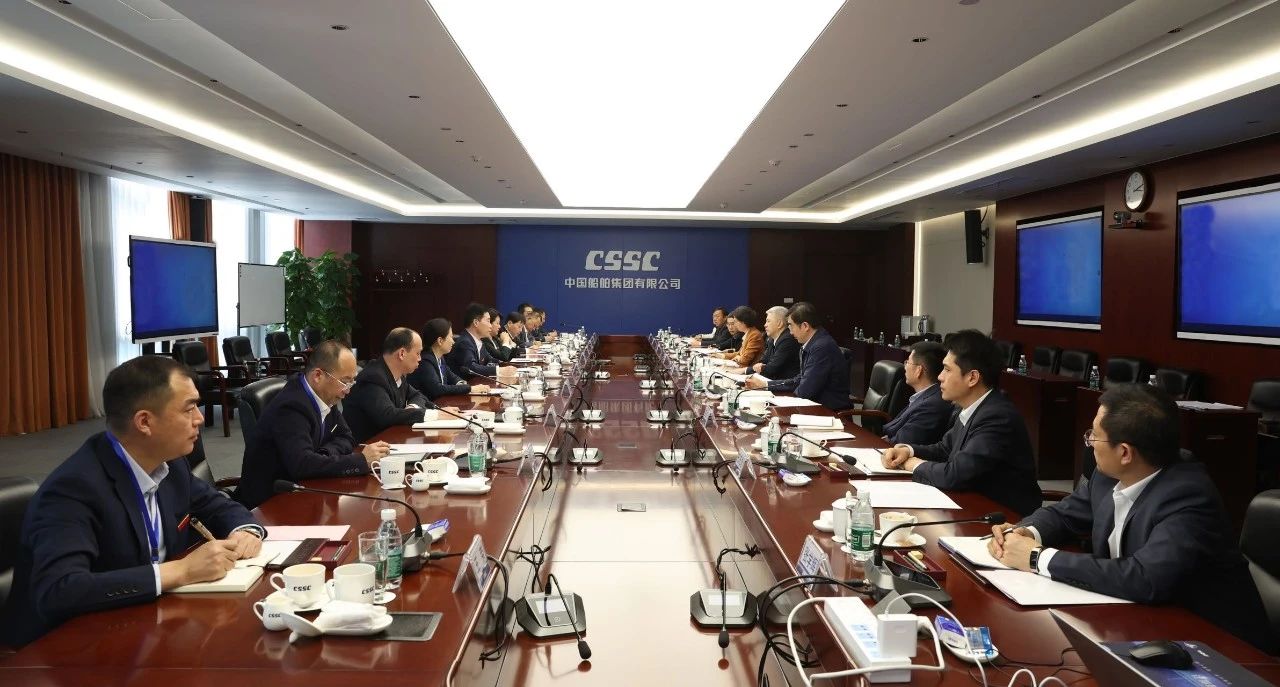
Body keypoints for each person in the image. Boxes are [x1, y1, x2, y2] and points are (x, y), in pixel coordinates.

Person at [988, 384, 1275, 653]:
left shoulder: (1187, 495)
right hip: (1141, 622)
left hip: (1222, 647)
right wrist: (1026, 533)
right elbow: (1065, 514)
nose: (1089, 442)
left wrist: (1037, 558)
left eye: (1094, 435)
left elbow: (1145, 578)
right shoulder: (1109, 473)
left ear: (1125, 452)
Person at [2, 356, 264, 646]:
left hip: (148, 623)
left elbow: (218, 505)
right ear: (144, 422)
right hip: (68, 647)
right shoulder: (74, 489)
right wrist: (180, 571)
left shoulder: (171, 465)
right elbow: (60, 590)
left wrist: (244, 531)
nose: (200, 419)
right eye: (189, 408)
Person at [879, 329, 1040, 516]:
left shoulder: (996, 417)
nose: (940, 376)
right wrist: (908, 450)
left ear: (972, 378)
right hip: (972, 505)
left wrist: (913, 464)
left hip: (1005, 518)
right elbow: (944, 449)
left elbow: (955, 475)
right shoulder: (972, 406)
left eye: (947, 370)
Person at [234, 340, 390, 510]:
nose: (348, 389)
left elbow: (346, 437)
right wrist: (360, 460)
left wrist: (323, 454)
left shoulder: (325, 395)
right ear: (318, 376)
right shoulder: (291, 406)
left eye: (352, 382)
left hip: (304, 490)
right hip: (270, 504)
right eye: (345, 381)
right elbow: (302, 465)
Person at [744, 302, 851, 410]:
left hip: (829, 412)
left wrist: (781, 399)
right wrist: (766, 384)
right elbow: (799, 379)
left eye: (791, 325)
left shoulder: (821, 347)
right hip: (815, 406)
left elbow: (805, 390)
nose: (790, 332)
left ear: (805, 326)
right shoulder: (813, 343)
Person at [342, 327, 429, 443]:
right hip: (364, 448)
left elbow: (417, 396)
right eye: (418, 353)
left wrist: (411, 408)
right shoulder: (373, 377)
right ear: (402, 353)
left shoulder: (398, 375)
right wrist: (431, 415)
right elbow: (387, 416)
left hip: (390, 442)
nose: (420, 359)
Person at [881, 341, 953, 445]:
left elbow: (901, 444)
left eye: (907, 362)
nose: (905, 367)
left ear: (919, 370)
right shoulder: (926, 395)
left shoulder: (931, 406)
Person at [408, 318, 492, 400]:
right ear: (440, 341)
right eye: (451, 337)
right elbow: (437, 389)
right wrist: (469, 388)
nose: (453, 341)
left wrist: (463, 384)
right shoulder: (425, 361)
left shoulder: (439, 357)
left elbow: (452, 377)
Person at [447, 303, 514, 379]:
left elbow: (490, 359)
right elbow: (472, 367)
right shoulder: (464, 342)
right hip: (465, 384)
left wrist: (508, 366)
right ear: (476, 323)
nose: (490, 325)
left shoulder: (478, 341)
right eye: (488, 321)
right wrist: (499, 370)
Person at [750, 305, 800, 380]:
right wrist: (758, 367)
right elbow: (763, 361)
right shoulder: (771, 339)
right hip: (774, 381)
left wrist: (746, 370)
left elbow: (770, 370)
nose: (765, 325)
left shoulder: (788, 339)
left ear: (779, 324)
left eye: (768, 321)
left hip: (785, 385)